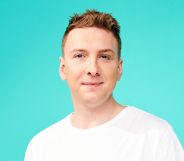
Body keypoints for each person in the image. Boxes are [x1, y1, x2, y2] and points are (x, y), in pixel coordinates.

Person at [24, 9, 184, 161]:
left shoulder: (156, 136)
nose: (93, 69)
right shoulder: (41, 147)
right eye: (80, 55)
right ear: (63, 68)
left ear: (119, 68)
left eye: (104, 56)